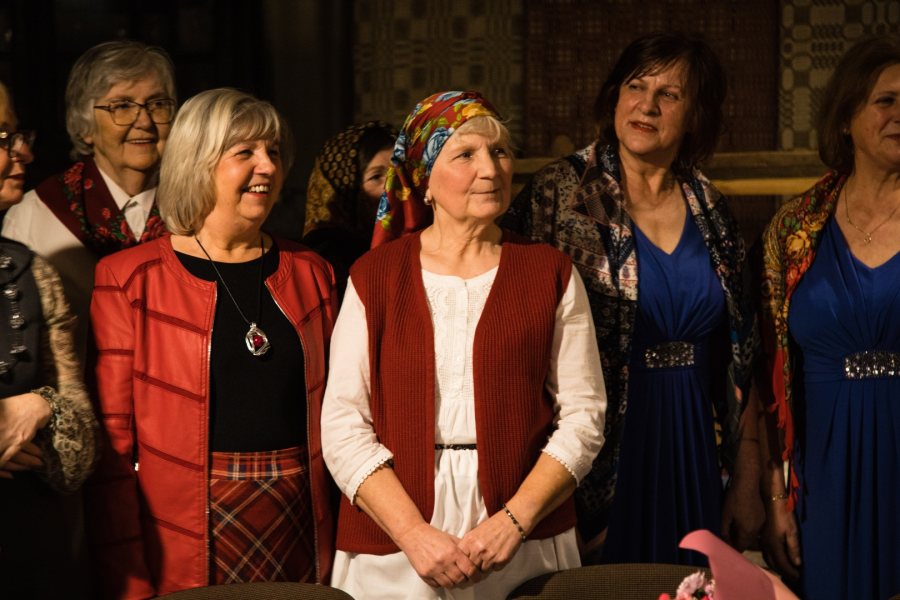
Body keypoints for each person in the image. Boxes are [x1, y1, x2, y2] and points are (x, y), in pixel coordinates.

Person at [321, 90, 607, 600]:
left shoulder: (549, 272)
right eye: (466, 155)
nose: (490, 169)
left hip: (523, 536)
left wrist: (512, 522)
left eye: (499, 152)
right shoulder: (374, 277)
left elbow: (584, 417)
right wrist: (413, 534)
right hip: (395, 538)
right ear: (424, 180)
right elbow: (343, 425)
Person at [506, 33, 760, 565]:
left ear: (695, 114)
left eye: (669, 94)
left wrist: (745, 478)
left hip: (693, 439)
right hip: (600, 449)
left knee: (687, 585)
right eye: (636, 87)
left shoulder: (709, 207)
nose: (647, 105)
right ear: (614, 96)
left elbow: (741, 353)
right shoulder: (560, 194)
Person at [85, 88, 337, 598]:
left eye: (273, 151)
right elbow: (112, 452)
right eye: (245, 152)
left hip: (301, 524)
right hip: (184, 534)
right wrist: (129, 584)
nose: (268, 166)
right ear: (196, 163)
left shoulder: (313, 272)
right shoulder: (129, 279)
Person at [758, 35, 900, 600]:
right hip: (823, 469)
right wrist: (775, 497)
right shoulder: (794, 229)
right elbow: (766, 374)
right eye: (886, 101)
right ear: (845, 117)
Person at [1, 40, 175, 358]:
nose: (145, 122)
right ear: (85, 128)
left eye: (158, 104)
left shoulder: (198, 207)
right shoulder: (34, 215)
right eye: (122, 106)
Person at [0, 81, 99, 599]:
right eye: (3, 137)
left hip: (24, 552)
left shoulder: (31, 273)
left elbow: (79, 455)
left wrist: (40, 407)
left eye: (19, 135)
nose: (25, 153)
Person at [302, 121, 397, 297]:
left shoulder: (419, 240)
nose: (393, 184)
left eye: (398, 171)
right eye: (376, 176)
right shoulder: (323, 259)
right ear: (348, 190)